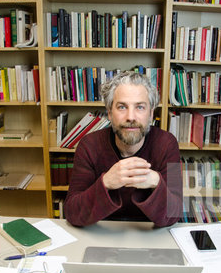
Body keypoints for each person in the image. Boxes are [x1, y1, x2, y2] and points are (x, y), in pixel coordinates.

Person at [64, 71, 182, 227]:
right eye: (122, 107)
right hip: (101, 234)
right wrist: (106, 182)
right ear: (110, 113)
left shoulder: (167, 144)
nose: (131, 117)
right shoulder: (89, 145)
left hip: (149, 235)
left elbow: (175, 213)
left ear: (151, 114)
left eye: (140, 107)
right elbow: (72, 213)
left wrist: (156, 182)